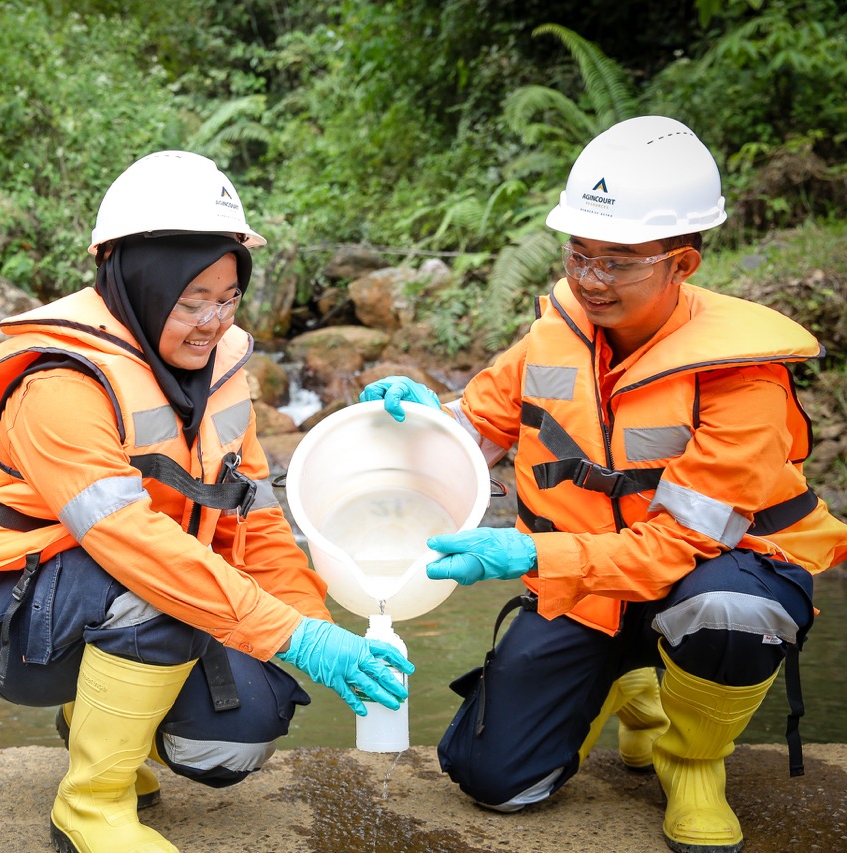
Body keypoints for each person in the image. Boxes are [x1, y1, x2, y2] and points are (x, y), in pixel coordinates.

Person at [361, 115, 847, 853]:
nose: (590, 280)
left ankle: (692, 762)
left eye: (618, 261)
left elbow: (679, 545)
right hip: (590, 591)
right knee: (493, 778)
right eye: (579, 254)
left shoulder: (742, 376)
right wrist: (425, 415)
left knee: (726, 612)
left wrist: (528, 558)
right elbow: (478, 426)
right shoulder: (555, 332)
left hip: (714, 570)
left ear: (681, 263)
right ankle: (630, 683)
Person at [0, 150, 412, 853]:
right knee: (156, 586)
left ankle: (93, 723)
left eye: (227, 299)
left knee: (237, 736)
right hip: (2, 615)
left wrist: (318, 631)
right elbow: (135, 543)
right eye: (191, 302)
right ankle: (91, 804)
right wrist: (294, 636)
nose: (212, 322)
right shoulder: (61, 380)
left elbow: (256, 521)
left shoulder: (223, 371)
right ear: (138, 280)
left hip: (120, 593)